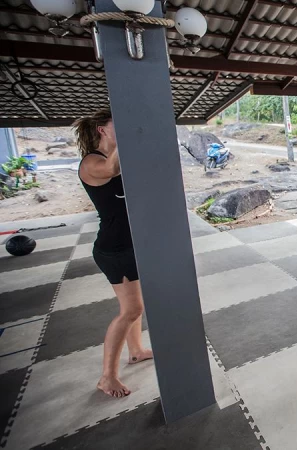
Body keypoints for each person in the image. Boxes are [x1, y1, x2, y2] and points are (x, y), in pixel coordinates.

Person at [73, 109, 152, 398]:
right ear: (103, 130)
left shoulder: (112, 158)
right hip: (113, 249)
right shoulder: (93, 162)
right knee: (132, 309)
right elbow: (112, 171)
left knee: (136, 306)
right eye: (117, 125)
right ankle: (107, 377)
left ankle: (136, 351)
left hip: (129, 245)